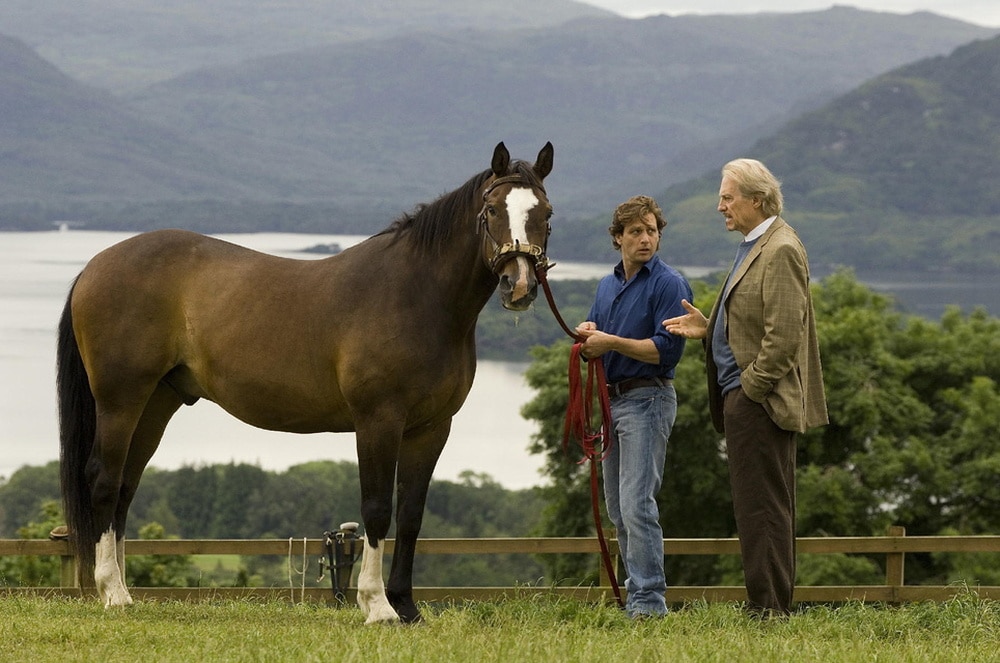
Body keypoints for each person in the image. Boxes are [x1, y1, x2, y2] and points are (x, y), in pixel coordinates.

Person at [662, 158, 828, 617]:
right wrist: (710, 325)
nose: (720, 206)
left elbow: (783, 338)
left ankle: (768, 610)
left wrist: (749, 390)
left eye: (727, 197)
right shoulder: (759, 244)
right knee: (759, 506)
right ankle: (770, 605)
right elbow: (755, 319)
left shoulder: (781, 249)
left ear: (756, 199)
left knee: (764, 509)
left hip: (760, 403)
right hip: (747, 399)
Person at [575, 194, 692, 619]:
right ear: (618, 238)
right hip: (613, 401)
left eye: (652, 231)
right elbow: (593, 339)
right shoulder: (607, 286)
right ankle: (637, 593)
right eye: (636, 232)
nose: (646, 239)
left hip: (649, 398)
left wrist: (610, 343)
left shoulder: (669, 284)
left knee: (637, 502)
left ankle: (648, 602)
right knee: (617, 507)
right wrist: (589, 333)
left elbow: (667, 351)